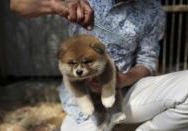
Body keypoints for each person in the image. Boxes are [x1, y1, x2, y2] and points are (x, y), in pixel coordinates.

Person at [10, 0, 188, 131]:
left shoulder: (153, 9)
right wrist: (60, 6)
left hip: (127, 93)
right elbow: (18, 5)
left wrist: (124, 79)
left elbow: (147, 61)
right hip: (83, 105)